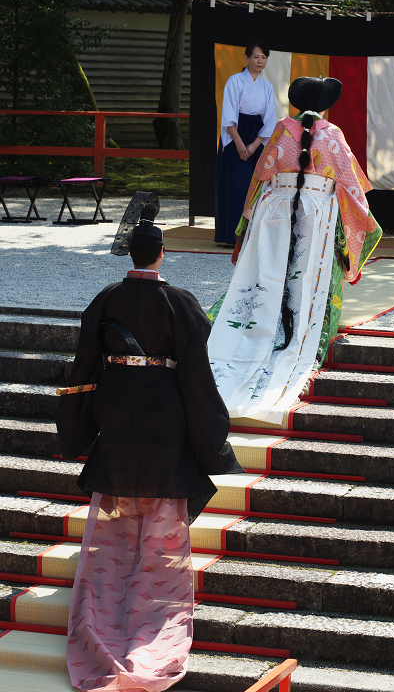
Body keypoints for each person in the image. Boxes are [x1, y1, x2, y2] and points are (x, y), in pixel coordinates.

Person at [56, 195, 242, 692]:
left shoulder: (107, 298)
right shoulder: (180, 302)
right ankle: (152, 593)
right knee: (163, 508)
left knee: (116, 506)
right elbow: (198, 379)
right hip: (163, 410)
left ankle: (108, 588)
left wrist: (76, 427)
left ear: (132, 254)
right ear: (161, 254)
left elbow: (83, 365)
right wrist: (213, 442)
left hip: (115, 407)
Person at [208, 76, 382, 424]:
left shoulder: (279, 131)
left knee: (266, 276)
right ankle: (300, 333)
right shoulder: (332, 134)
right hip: (316, 214)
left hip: (274, 211)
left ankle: (258, 328)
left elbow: (260, 178)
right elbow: (351, 186)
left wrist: (247, 222)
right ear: (325, 103)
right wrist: (365, 223)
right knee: (309, 281)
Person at [214, 40, 277, 246]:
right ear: (247, 58)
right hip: (236, 135)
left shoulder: (267, 87)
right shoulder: (234, 81)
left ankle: (250, 235)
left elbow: (269, 119)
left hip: (256, 136)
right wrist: (240, 144)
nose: (260, 61)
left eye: (264, 57)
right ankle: (230, 235)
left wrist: (255, 144)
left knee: (255, 185)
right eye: (256, 57)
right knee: (235, 185)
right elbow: (229, 116)